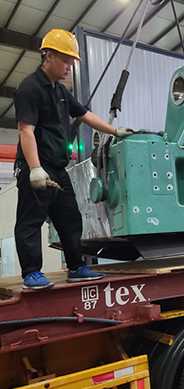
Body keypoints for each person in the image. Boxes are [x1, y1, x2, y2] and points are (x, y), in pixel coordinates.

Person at [14, 29, 134, 289]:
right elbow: (26, 130)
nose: (69, 67)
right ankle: (31, 273)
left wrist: (114, 131)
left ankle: (76, 268)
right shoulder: (30, 87)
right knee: (31, 220)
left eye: (72, 62)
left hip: (58, 169)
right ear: (49, 55)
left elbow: (84, 114)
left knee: (70, 218)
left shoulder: (60, 91)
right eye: (66, 61)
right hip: (36, 167)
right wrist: (35, 169)